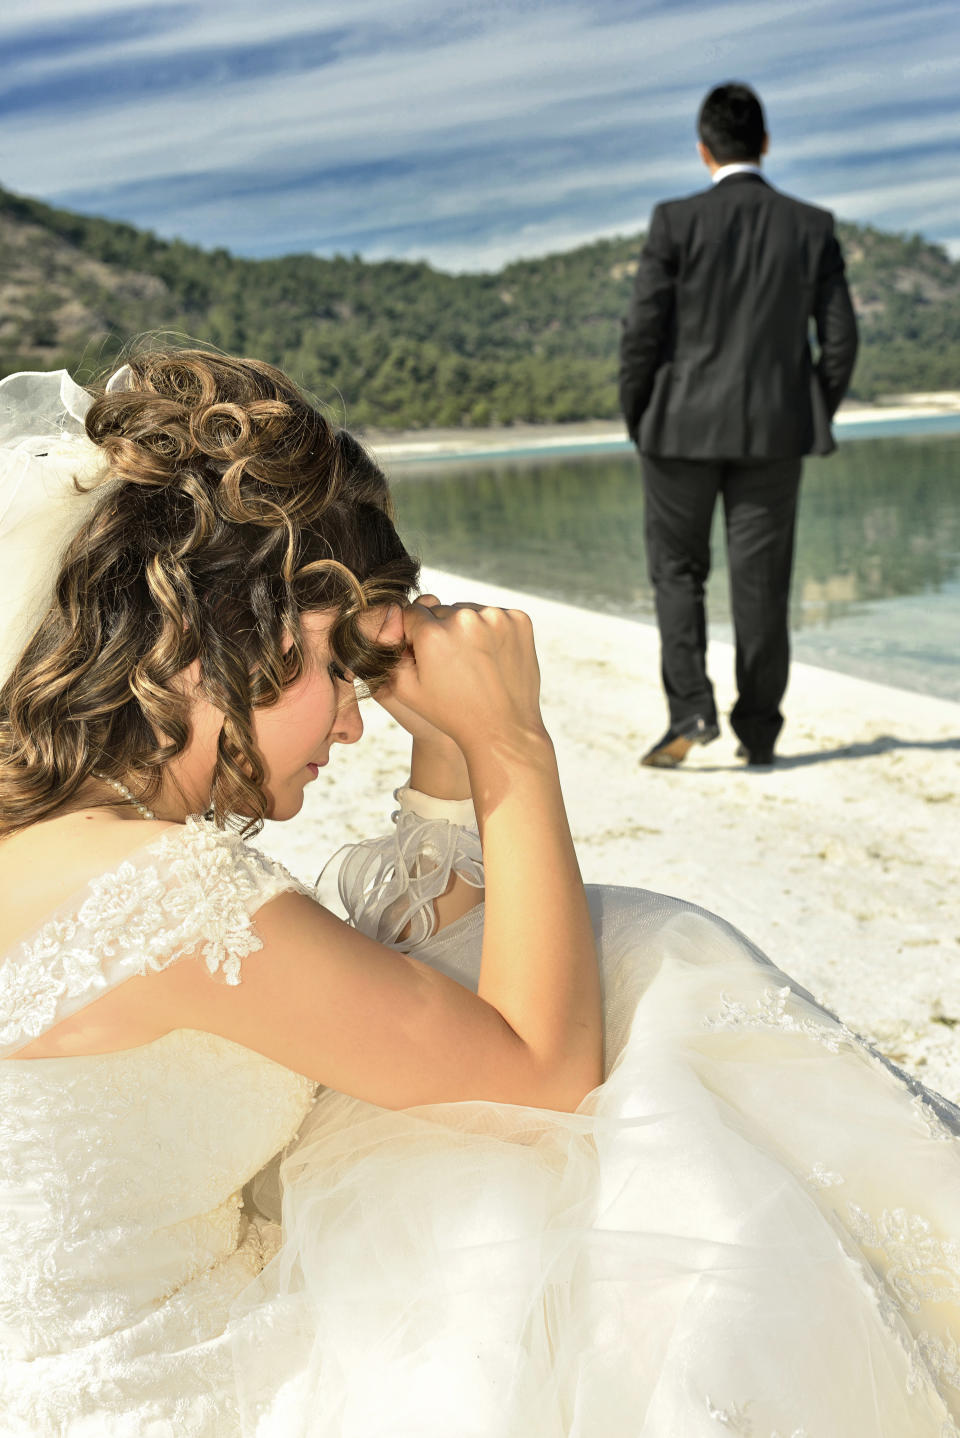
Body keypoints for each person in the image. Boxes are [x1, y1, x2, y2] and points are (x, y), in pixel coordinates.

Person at [2, 350, 959, 1438]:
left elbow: (387, 1001)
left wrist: (448, 767)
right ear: (224, 635)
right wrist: (513, 747)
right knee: (647, 981)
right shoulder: (165, 895)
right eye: (335, 667)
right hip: (184, 1392)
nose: (352, 725)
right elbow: (540, 1078)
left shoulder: (59, 850)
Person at [619, 82, 859, 769]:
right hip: (774, 434)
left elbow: (641, 332)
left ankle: (690, 711)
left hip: (676, 430)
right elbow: (840, 343)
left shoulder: (673, 221)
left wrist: (641, 414)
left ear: (703, 150)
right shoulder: (811, 226)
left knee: (677, 573)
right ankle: (759, 733)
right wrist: (807, 409)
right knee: (762, 584)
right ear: (766, 144)